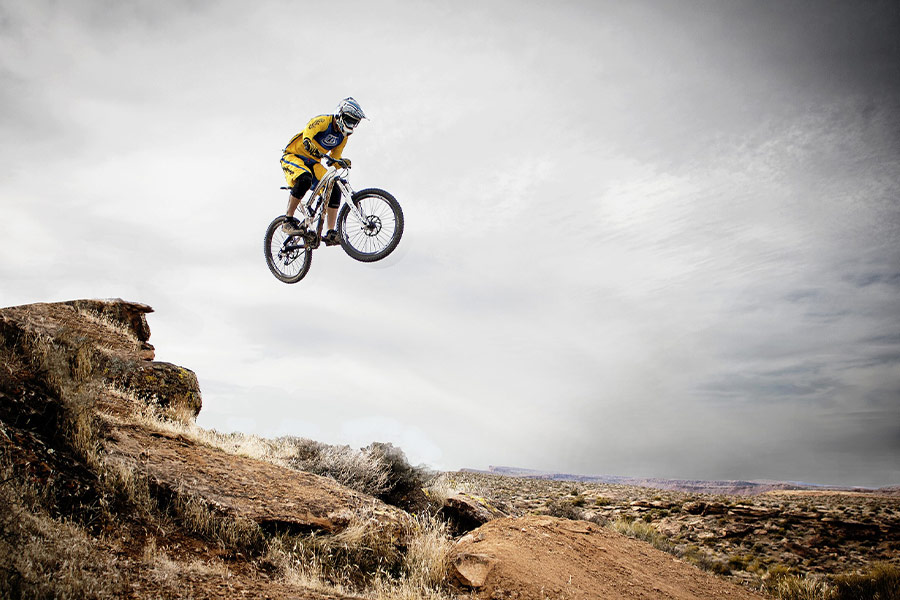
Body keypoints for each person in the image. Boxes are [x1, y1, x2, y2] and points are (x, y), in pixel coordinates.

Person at [280, 97, 367, 243]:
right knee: (304, 178)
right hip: (294, 156)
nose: (351, 125)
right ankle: (287, 220)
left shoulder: (343, 137)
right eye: (349, 120)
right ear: (340, 115)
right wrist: (307, 142)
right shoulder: (324, 121)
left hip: (314, 162)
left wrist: (341, 162)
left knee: (334, 187)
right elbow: (309, 129)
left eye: (354, 122)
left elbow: (334, 158)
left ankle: (331, 232)